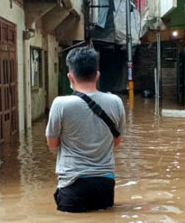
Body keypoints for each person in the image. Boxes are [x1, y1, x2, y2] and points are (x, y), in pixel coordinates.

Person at [45, 47, 126, 213]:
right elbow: (117, 142)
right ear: (97, 75)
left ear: (70, 76)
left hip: (72, 183)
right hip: (105, 183)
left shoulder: (61, 104)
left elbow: (52, 144)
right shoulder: (116, 102)